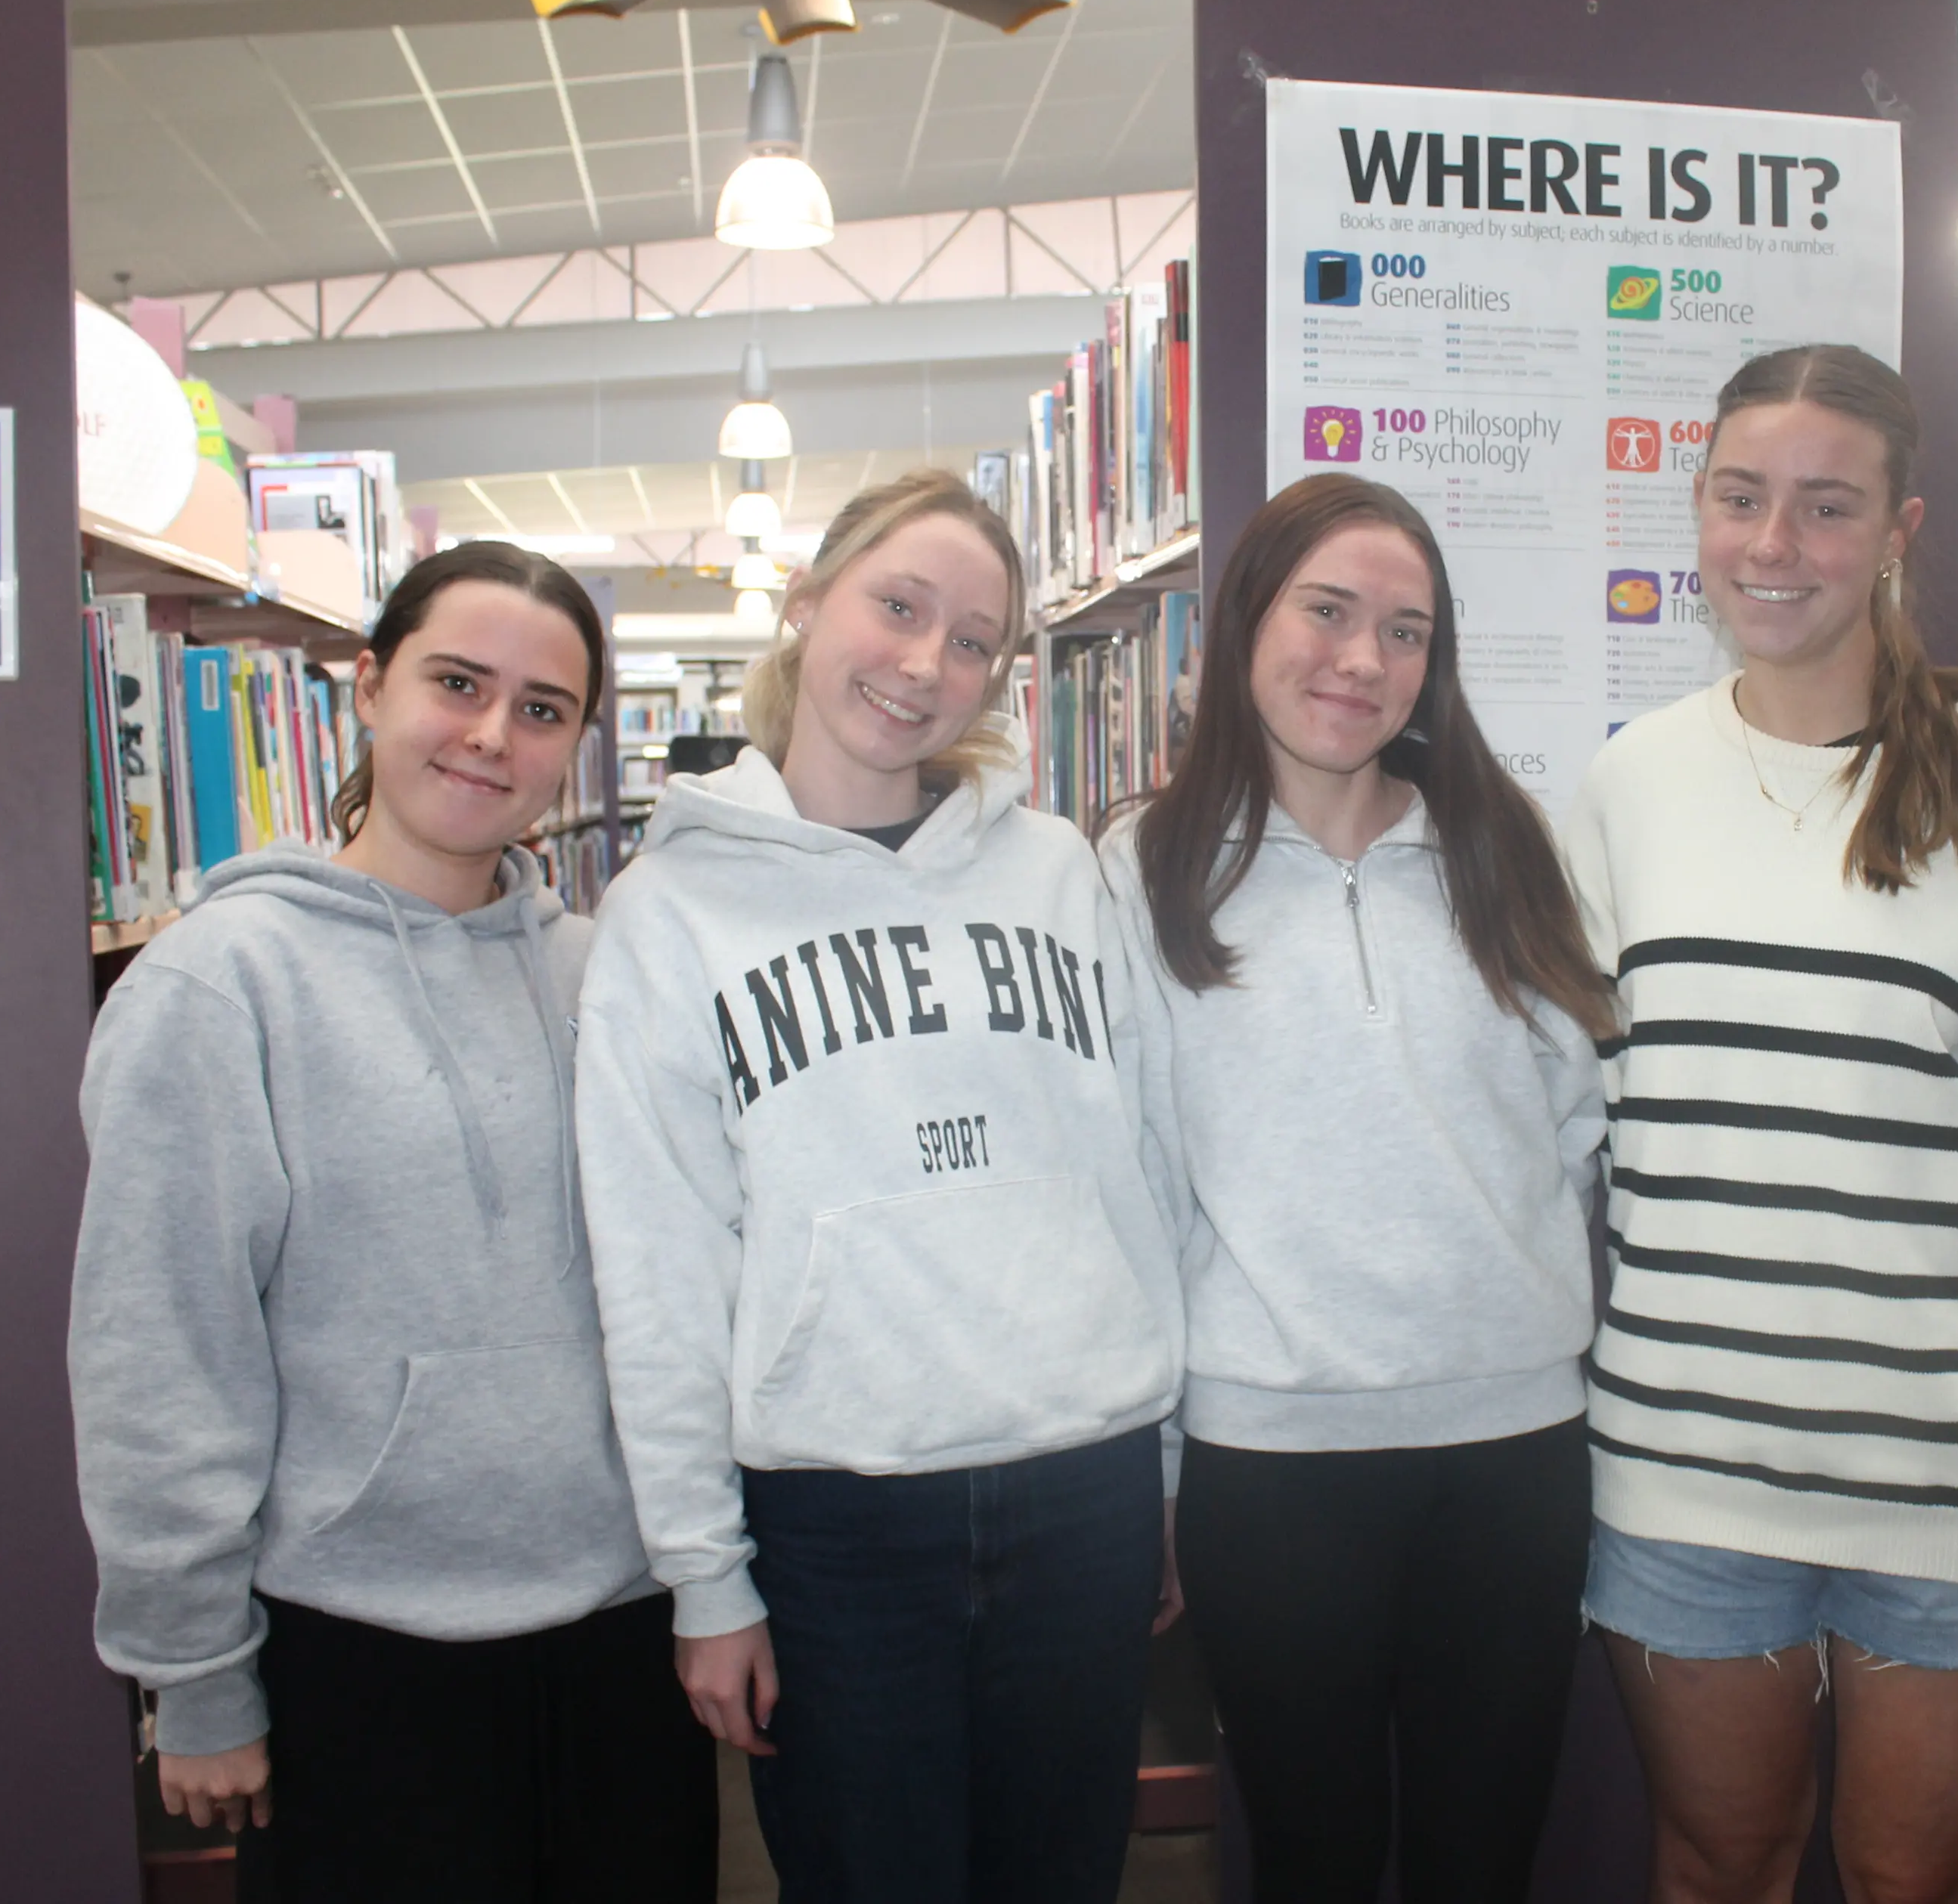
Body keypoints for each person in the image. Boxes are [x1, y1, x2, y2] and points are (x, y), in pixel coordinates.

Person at [1561, 345, 1958, 1904]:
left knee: (1918, 1879)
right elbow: (1619, 1125)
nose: (1775, 546)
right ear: (1696, 507)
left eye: (1826, 507)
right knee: (1718, 1862)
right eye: (1743, 498)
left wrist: (1953, 1336)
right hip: (1689, 1460)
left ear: (1898, 527)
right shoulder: (1631, 786)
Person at [69, 543, 717, 1902]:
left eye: (542, 709)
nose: (493, 736)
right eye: (457, 683)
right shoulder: (222, 986)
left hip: (620, 1630)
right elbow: (159, 1350)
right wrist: (192, 1674)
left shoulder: (601, 975)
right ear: (369, 688)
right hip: (358, 1649)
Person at [574, 470, 1184, 1904]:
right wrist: (706, 1576)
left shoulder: (1056, 875)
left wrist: (1160, 1473)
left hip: (1081, 1488)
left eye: (972, 639)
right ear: (808, 601)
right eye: (897, 607)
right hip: (837, 1525)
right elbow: (655, 1263)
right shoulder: (669, 916)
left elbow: (1134, 1170)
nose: (925, 666)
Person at [1106, 472, 1612, 1903]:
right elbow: (1137, 1191)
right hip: (1271, 1471)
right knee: (1312, 1860)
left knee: (1482, 1858)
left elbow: (1576, 1134)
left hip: (1513, 1457)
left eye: (1405, 631)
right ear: (1245, 617)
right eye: (1328, 612)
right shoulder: (1136, 874)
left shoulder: (1508, 851)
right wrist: (1155, 1478)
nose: (1363, 661)